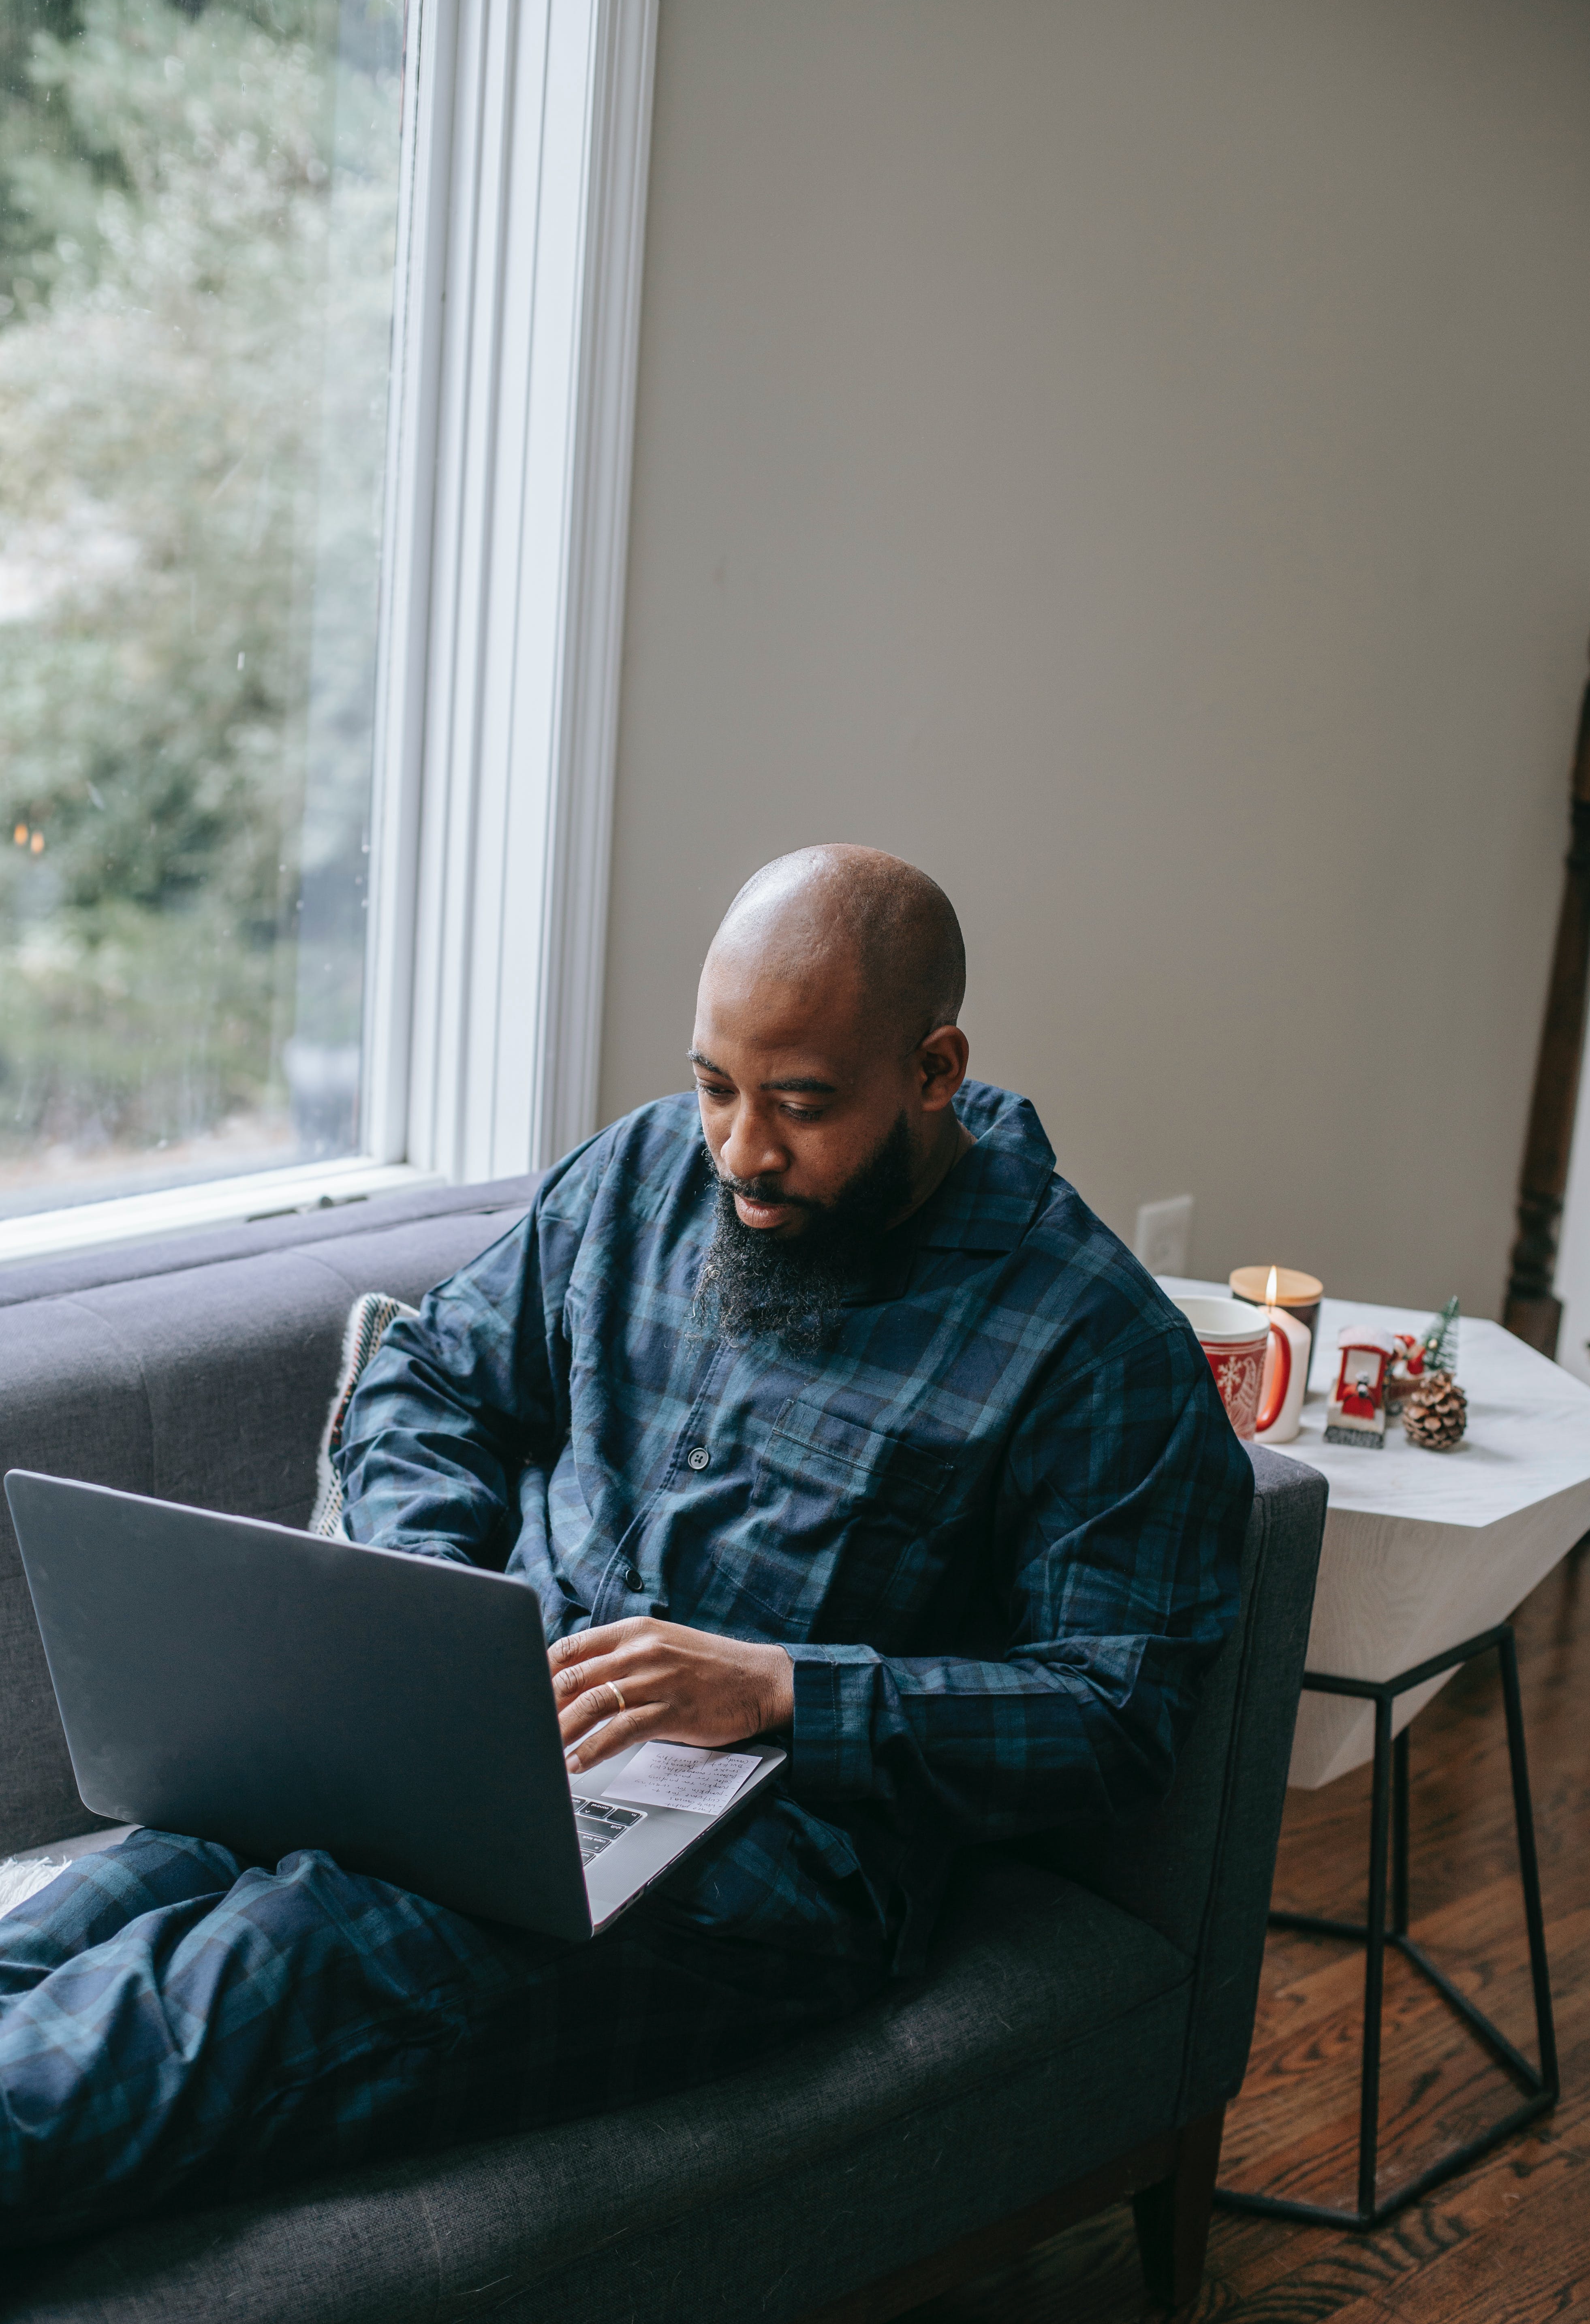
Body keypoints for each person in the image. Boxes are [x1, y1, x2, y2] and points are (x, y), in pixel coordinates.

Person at [0, 846, 1252, 2245]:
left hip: (748, 1879)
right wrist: (437, 1597)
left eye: (802, 1106)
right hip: (470, 1747)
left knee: (210, 2008)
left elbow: (1121, 1715)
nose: (742, 1153)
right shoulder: (643, 1174)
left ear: (936, 1069)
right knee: (67, 1923)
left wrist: (783, 1691)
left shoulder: (1093, 1344)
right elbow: (432, 1380)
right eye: (719, 1086)